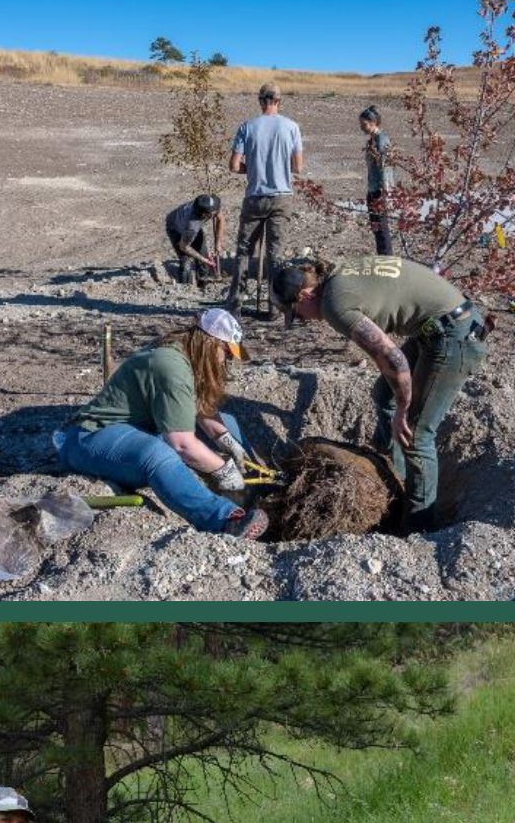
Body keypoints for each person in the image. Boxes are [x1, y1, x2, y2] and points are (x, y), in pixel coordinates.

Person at [272, 255, 488, 532]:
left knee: (417, 433)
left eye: (297, 314)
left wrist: (403, 410)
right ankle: (393, 474)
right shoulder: (340, 272)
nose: (303, 320)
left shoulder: (334, 304)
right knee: (383, 395)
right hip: (441, 327)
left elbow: (393, 359)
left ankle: (418, 527)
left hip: (454, 338)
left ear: (304, 295)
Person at [52, 308, 268, 539]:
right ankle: (224, 519)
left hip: (138, 429)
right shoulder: (171, 366)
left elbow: (202, 408)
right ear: (211, 343)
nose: (227, 360)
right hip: (90, 437)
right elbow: (182, 444)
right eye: (227, 352)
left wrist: (229, 443)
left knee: (229, 424)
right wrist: (223, 469)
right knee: (157, 454)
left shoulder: (187, 354)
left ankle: (258, 492)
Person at [225, 82, 303, 317]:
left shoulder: (247, 127)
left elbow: (234, 165)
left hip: (255, 197)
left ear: (261, 101)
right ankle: (274, 307)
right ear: (279, 101)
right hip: (281, 198)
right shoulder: (291, 127)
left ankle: (235, 304)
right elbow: (298, 167)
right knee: (275, 255)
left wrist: (254, 170)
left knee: (243, 252)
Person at [164, 193, 223, 287]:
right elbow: (184, 247)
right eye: (214, 212)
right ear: (205, 214)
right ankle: (186, 288)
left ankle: (203, 283)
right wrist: (204, 260)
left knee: (203, 253)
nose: (217, 210)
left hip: (188, 224)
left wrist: (218, 243)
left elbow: (220, 219)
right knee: (186, 261)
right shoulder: (192, 226)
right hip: (175, 228)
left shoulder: (211, 204)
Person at [360, 106, 394, 256]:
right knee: (376, 226)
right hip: (373, 188)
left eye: (364, 124)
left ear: (374, 123)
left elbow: (385, 167)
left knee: (381, 226)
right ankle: (382, 254)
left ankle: (386, 257)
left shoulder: (381, 140)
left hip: (380, 191)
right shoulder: (373, 140)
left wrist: (385, 192)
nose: (362, 127)